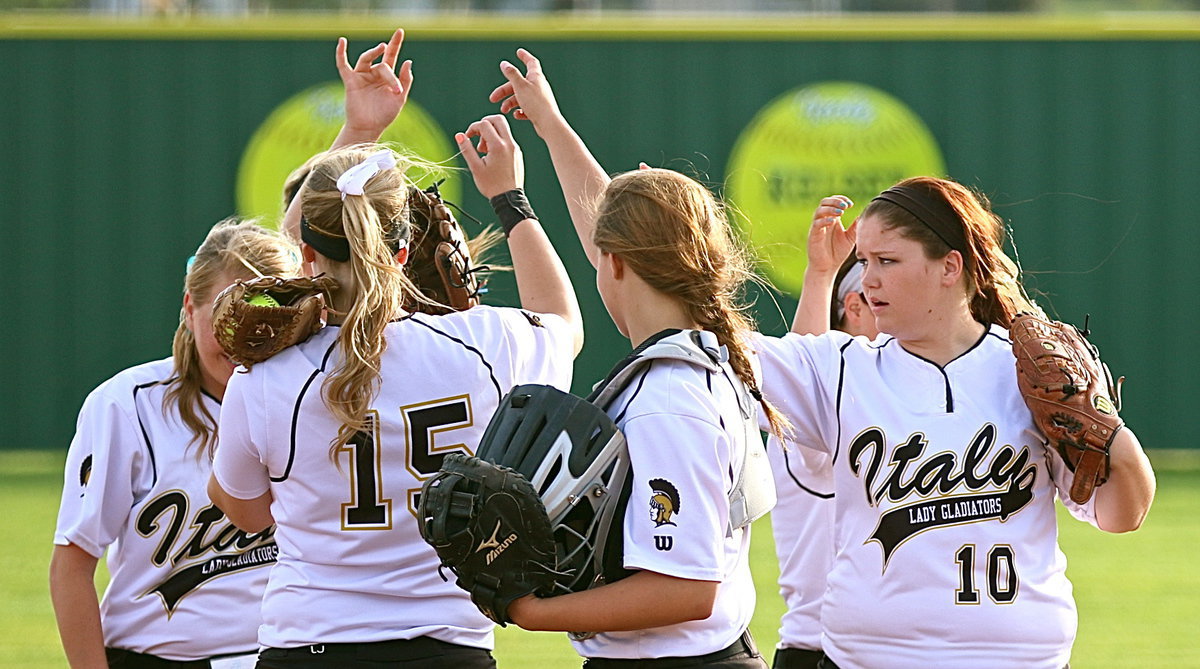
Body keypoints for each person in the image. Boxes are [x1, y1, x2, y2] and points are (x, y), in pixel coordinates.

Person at [206, 127, 582, 668]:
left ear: (307, 253)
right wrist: (509, 198)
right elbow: (565, 326)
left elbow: (245, 512)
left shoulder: (264, 381)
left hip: (308, 646)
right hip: (447, 647)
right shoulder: (484, 345)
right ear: (406, 251)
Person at [754, 176, 1156, 669]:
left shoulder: (1029, 376)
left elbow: (1122, 514)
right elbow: (712, 349)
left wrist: (1106, 428)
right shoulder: (844, 367)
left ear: (949, 266)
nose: (868, 279)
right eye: (862, 263)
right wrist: (658, 243)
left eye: (886, 261)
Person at [488, 48, 779, 668]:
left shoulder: (671, 398)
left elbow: (685, 588)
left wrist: (531, 612)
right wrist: (550, 123)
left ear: (615, 264)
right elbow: (617, 227)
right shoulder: (704, 352)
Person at [50, 219, 301, 668]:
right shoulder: (127, 406)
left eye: (264, 316)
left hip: (284, 657)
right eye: (225, 316)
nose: (242, 336)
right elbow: (71, 564)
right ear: (189, 307)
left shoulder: (312, 399)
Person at [766, 197, 880, 669]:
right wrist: (819, 275)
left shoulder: (898, 395)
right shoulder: (819, 402)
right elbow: (807, 369)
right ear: (853, 305)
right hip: (817, 649)